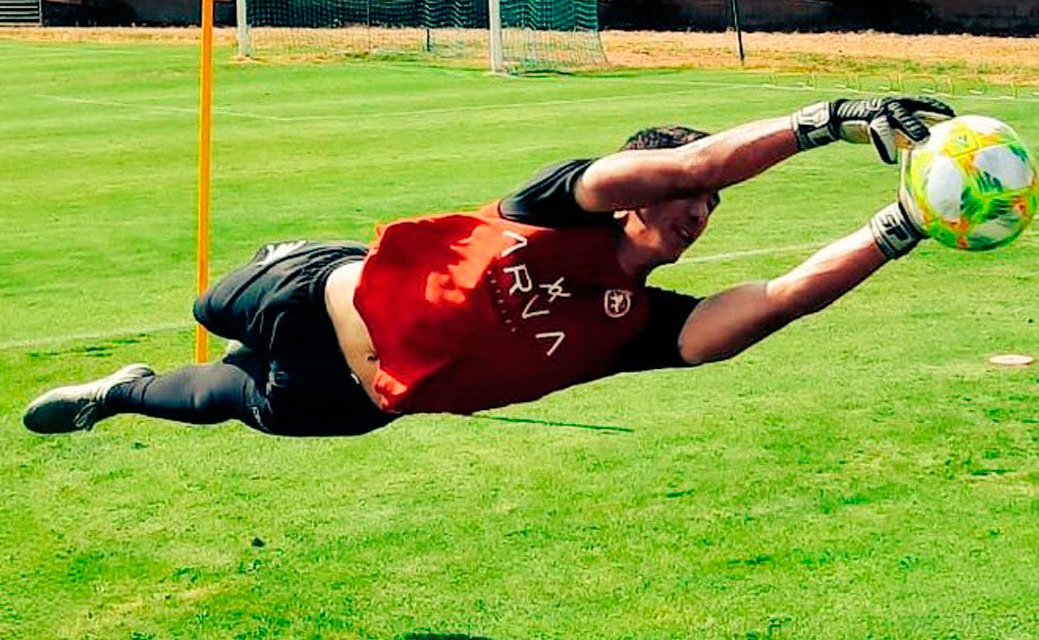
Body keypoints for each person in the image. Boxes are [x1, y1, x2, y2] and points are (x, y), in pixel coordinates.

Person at [23, 96, 955, 438]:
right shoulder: (565, 203)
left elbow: (777, 301)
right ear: (632, 190)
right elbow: (690, 161)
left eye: (710, 211)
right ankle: (271, 260)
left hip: (361, 395)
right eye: (689, 200)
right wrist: (829, 122)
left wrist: (900, 224)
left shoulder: (640, 325)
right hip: (314, 286)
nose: (700, 213)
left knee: (220, 398)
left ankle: (119, 389)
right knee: (210, 305)